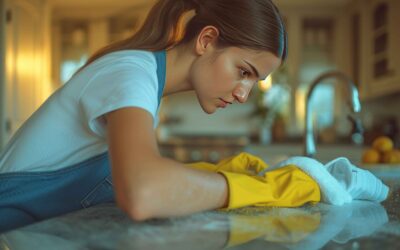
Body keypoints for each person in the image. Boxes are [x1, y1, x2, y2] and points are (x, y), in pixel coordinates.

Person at [0, 0, 321, 232]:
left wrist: (210, 173)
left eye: (253, 82)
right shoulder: (131, 74)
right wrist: (260, 190)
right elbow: (142, 192)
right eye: (243, 72)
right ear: (206, 40)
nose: (243, 94)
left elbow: (127, 178)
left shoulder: (145, 78)